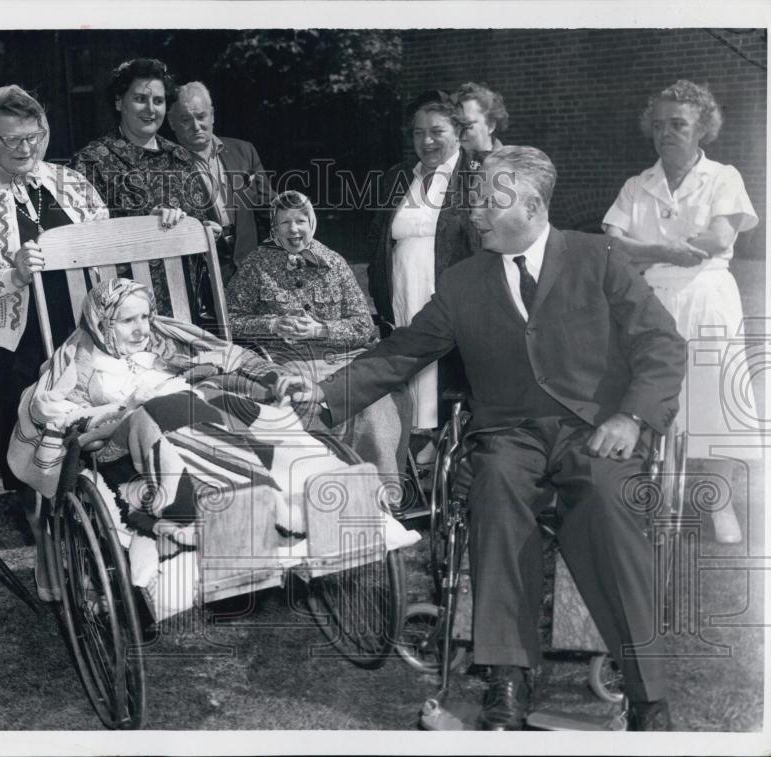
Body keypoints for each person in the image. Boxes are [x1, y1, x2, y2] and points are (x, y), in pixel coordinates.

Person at [276, 147, 686, 731]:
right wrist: (324, 392)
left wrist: (633, 418)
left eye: (490, 201)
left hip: (595, 432)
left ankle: (649, 698)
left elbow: (661, 346)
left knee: (609, 509)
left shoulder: (600, 258)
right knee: (493, 495)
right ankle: (508, 680)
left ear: (534, 205)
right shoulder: (464, 281)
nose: (474, 213)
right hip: (509, 438)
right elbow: (403, 351)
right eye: (472, 199)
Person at [7, 277, 417, 616]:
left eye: (145, 317)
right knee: (169, 408)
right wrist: (118, 411)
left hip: (201, 416)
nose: (141, 329)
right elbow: (58, 416)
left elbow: (221, 359)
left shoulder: (162, 345)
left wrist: (261, 380)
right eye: (126, 321)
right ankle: (245, 511)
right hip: (142, 439)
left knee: (262, 415)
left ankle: (324, 500)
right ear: (100, 323)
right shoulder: (78, 366)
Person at [603, 80, 759, 545]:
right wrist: (664, 251)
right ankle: (659, 497)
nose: (666, 133)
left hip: (708, 296)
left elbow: (719, 240)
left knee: (711, 402)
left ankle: (719, 502)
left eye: (678, 124)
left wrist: (644, 250)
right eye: (658, 125)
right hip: (651, 300)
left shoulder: (724, 177)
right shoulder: (637, 185)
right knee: (651, 392)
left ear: (702, 129)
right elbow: (613, 243)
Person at [0, 85, 109, 498]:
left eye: (32, 136)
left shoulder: (71, 182)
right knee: (25, 433)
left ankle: (98, 506)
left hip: (83, 328)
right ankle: (34, 518)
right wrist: (11, 275)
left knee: (95, 421)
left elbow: (109, 241)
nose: (24, 147)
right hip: (17, 342)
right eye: (11, 139)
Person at [226, 190, 411, 503]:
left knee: (374, 410)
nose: (294, 229)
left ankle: (381, 502)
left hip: (345, 359)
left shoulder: (334, 263)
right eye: (285, 222)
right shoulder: (255, 265)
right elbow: (229, 320)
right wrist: (271, 324)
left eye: (300, 220)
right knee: (302, 412)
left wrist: (321, 328)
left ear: (312, 223)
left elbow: (364, 327)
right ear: (274, 226)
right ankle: (321, 502)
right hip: (290, 361)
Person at [366, 91, 481, 464]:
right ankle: (408, 453)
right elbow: (378, 243)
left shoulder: (477, 178)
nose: (426, 141)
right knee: (405, 378)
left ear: (458, 132)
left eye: (436, 131)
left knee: (439, 383)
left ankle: (438, 452)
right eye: (418, 133)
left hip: (445, 302)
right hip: (400, 298)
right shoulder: (398, 178)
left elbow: (484, 250)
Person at [70, 58, 217, 317]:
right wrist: (144, 227)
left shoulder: (180, 158)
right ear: (119, 102)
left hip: (183, 309)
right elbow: (82, 242)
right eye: (140, 98)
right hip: (121, 312)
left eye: (158, 101)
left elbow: (199, 226)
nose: (151, 109)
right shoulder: (91, 160)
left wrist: (204, 231)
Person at [167, 80, 274, 282]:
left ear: (212, 115)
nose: (196, 126)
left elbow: (269, 209)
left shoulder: (244, 151)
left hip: (253, 268)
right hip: (205, 276)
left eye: (201, 116)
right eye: (185, 120)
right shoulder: (165, 167)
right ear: (172, 122)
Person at [452, 82, 508, 164]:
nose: (459, 132)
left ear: (491, 125)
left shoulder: (507, 165)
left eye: (467, 125)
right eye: (456, 124)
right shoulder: (448, 164)